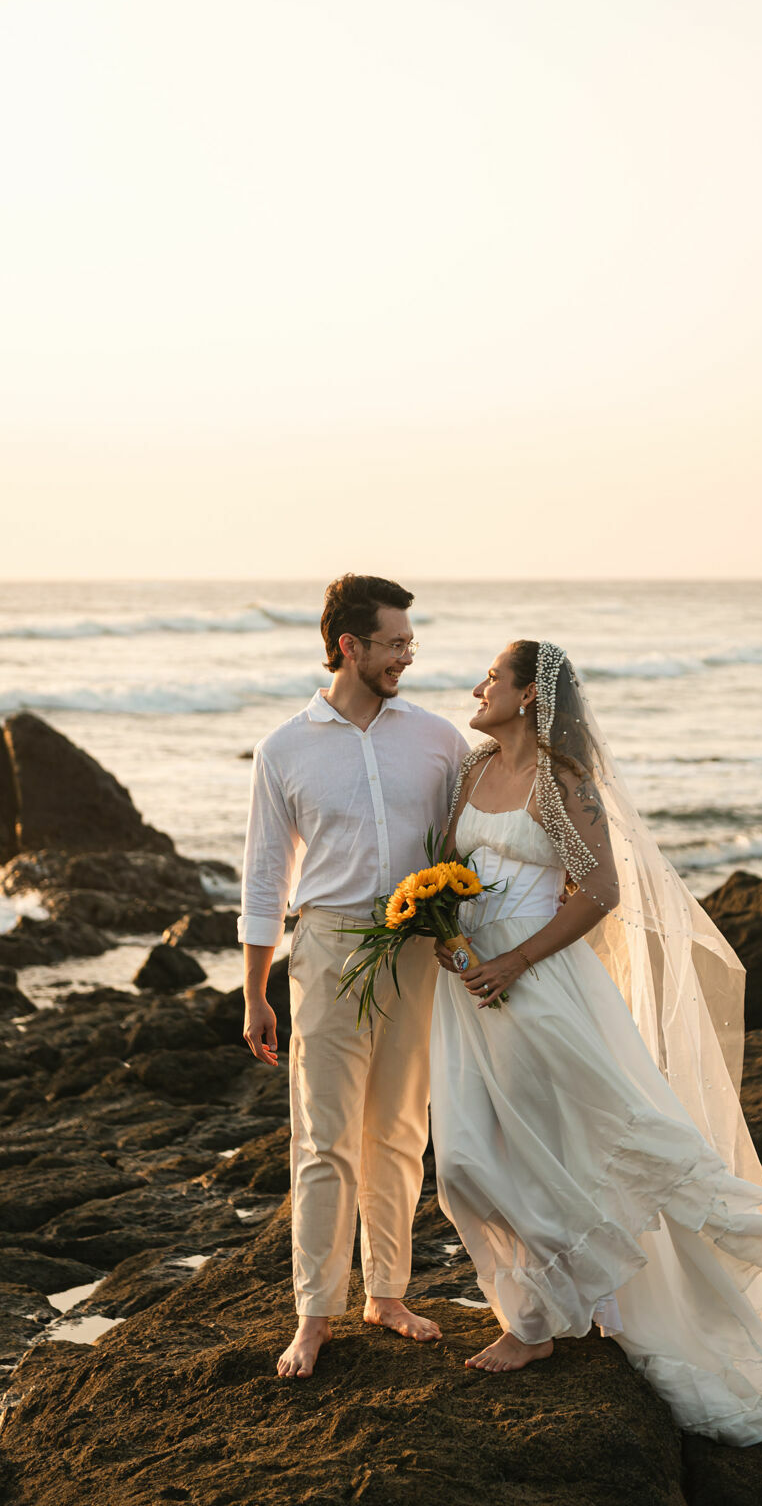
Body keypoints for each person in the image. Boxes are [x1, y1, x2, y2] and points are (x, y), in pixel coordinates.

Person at [430, 639, 762, 1445]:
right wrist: (437, 925)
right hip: (467, 986)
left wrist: (513, 959)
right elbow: (444, 868)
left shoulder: (561, 784)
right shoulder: (472, 772)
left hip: (537, 982)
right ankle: (548, 1306)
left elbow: (601, 891)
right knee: (472, 1155)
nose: (477, 686)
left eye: (492, 678)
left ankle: (539, 1323)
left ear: (530, 698)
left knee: (566, 1144)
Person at [239, 574, 469, 1378]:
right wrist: (255, 991)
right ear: (351, 647)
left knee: (402, 1130)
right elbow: (265, 878)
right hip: (328, 948)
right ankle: (314, 1313)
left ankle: (389, 1293)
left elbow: (462, 850)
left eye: (409, 641)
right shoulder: (284, 748)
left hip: (415, 947)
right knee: (322, 1137)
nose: (409, 654)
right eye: (396, 642)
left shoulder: (439, 739)